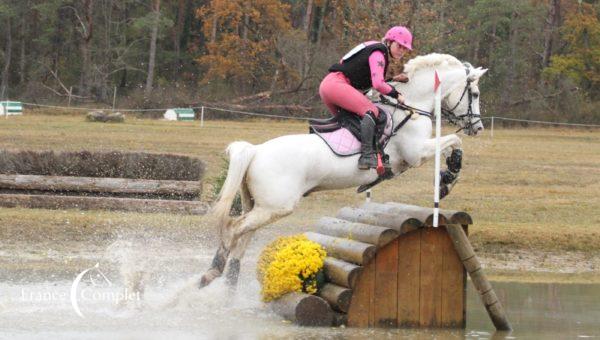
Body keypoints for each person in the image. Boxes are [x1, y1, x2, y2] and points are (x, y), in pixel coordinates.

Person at [319, 26, 413, 170]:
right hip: (337, 85)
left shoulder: (374, 47)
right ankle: (367, 156)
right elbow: (377, 84)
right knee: (371, 111)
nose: (402, 50)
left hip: (330, 85)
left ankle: (347, 159)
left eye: (405, 48)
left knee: (351, 123)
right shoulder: (379, 52)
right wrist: (396, 94)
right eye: (399, 45)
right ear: (389, 41)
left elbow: (367, 79)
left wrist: (393, 79)